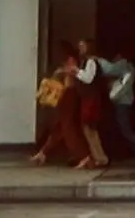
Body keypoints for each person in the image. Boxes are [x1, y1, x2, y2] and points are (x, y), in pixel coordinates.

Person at [81, 51, 135, 170]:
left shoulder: (125, 67)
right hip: (120, 102)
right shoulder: (126, 69)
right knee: (118, 129)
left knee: (126, 131)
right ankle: (121, 155)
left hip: (122, 103)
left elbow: (110, 70)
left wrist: (97, 60)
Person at [30, 41, 95, 169]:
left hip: (68, 94)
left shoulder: (71, 60)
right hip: (67, 93)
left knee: (66, 126)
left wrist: (61, 72)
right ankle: (43, 153)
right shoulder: (74, 59)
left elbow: (72, 73)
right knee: (59, 127)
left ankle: (84, 156)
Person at [73, 38, 110, 168]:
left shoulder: (91, 62)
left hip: (91, 98)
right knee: (88, 129)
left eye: (82, 46)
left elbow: (88, 78)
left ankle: (100, 157)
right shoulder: (86, 61)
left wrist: (76, 71)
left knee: (90, 128)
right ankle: (98, 157)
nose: (80, 48)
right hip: (88, 98)